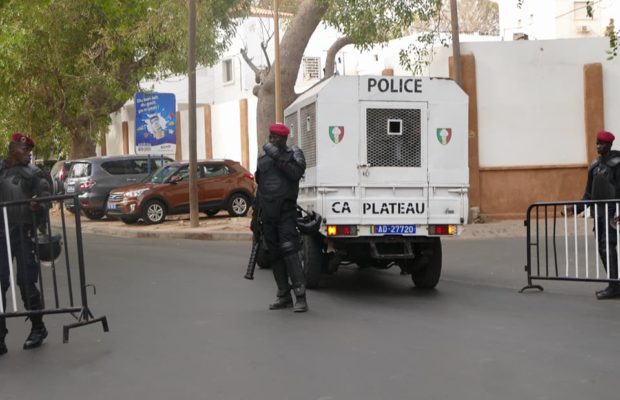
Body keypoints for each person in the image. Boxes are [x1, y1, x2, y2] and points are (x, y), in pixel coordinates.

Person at [0, 133, 51, 355]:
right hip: (2, 235)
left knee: (26, 283)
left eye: (30, 150)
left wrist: (37, 206)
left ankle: (38, 328)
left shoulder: (34, 175)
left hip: (24, 233)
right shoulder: (1, 170)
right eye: (24, 149)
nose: (29, 153)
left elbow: (45, 198)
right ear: (12, 149)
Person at [252, 123, 308, 312]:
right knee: (274, 254)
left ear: (284, 139)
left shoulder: (294, 154)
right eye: (270, 137)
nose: (272, 141)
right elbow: (261, 187)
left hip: (286, 213)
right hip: (268, 214)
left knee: (289, 251)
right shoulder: (262, 159)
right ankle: (283, 295)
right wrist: (255, 217)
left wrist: (277, 157)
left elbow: (295, 174)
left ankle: (300, 297)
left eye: (276, 138)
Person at [569, 130, 620, 299]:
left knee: (608, 245)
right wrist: (576, 208)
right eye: (597, 143)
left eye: (602, 143)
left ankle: (615, 286)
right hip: (599, 212)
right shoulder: (594, 166)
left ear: (610, 144)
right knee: (602, 247)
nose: (598, 146)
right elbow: (589, 195)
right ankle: (615, 283)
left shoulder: (617, 163)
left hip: (613, 211)